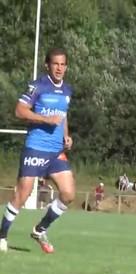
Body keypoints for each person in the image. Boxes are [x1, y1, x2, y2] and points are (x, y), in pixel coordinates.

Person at [0, 48, 74, 254]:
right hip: (36, 147)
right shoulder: (37, 86)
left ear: (66, 67)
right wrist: (45, 119)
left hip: (56, 151)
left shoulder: (67, 90)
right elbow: (19, 110)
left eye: (62, 64)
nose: (59, 68)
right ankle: (2, 235)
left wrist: (66, 136)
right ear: (47, 65)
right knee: (22, 195)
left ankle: (40, 230)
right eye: (55, 64)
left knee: (68, 194)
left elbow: (63, 116)